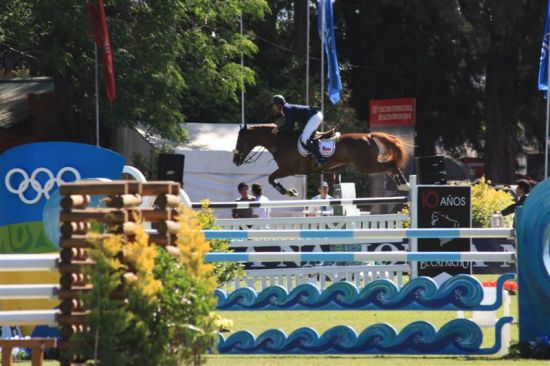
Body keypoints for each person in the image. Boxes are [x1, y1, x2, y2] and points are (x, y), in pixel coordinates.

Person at [270, 94, 325, 166]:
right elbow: (291, 126)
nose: (273, 107)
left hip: (315, 116)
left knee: (305, 139)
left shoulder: (286, 108)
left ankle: (320, 159)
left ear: (279, 104)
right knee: (304, 136)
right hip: (314, 116)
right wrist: (279, 128)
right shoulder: (286, 108)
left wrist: (278, 129)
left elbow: (289, 126)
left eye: (274, 105)